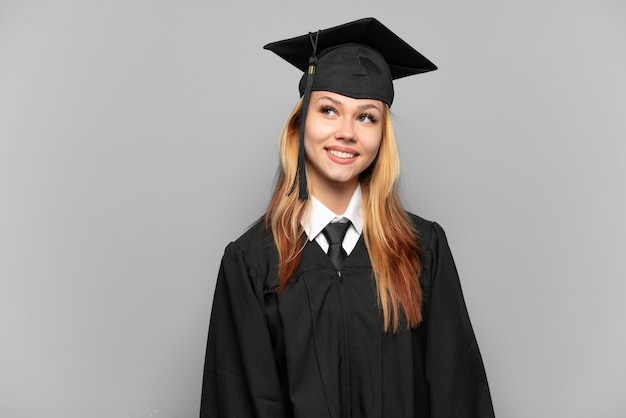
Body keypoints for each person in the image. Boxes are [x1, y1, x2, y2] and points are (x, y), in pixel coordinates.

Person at [201, 17, 495, 418]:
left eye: (366, 116)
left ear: (381, 137)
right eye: (328, 110)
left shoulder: (423, 249)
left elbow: (456, 392)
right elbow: (239, 402)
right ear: (300, 123)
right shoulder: (252, 263)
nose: (346, 132)